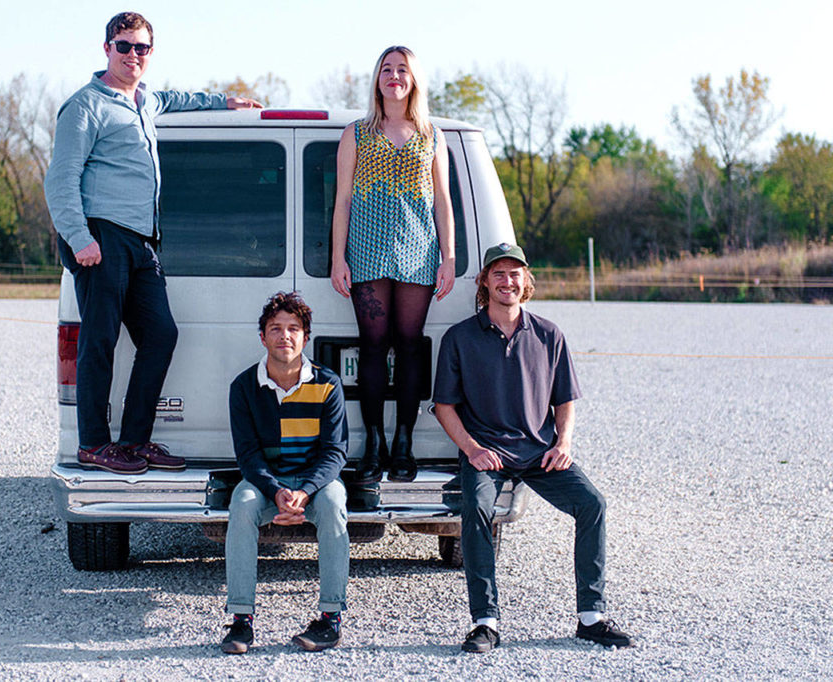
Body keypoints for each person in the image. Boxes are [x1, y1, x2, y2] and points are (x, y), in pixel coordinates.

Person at [44, 12, 261, 474]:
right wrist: (80, 239)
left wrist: (225, 101)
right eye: (124, 46)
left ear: (150, 54)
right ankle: (93, 445)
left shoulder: (145, 101)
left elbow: (182, 98)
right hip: (102, 236)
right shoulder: (84, 106)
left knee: (161, 334)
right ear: (107, 49)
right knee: (98, 341)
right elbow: (60, 182)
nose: (132, 55)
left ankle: (135, 441)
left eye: (141, 48)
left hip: (142, 242)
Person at [432, 243, 634, 652]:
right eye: (499, 274)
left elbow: (565, 401)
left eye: (515, 273)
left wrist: (564, 443)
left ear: (527, 281)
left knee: (592, 504)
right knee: (475, 511)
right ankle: (485, 622)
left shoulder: (548, 334)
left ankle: (591, 616)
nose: (507, 281)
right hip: (487, 453)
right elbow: (443, 406)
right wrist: (471, 450)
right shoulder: (460, 338)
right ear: (484, 282)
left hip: (539, 453)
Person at [330, 45, 456, 484]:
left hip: (418, 253)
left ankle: (404, 441)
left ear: (414, 79)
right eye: (387, 69)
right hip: (365, 251)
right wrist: (337, 258)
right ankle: (374, 443)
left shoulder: (432, 136)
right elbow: (342, 200)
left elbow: (443, 201)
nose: (394, 76)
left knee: (409, 345)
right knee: (372, 346)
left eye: (402, 69)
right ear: (378, 79)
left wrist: (449, 257)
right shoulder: (357, 134)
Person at [222, 292, 349, 654]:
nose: (285, 336)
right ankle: (241, 621)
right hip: (267, 486)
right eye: (275, 328)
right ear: (262, 337)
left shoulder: (327, 384)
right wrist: (276, 491)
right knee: (243, 503)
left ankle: (330, 619)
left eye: (294, 328)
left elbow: (335, 452)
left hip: (314, 486)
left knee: (335, 502)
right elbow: (247, 455)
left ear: (306, 337)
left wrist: (306, 491)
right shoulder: (244, 387)